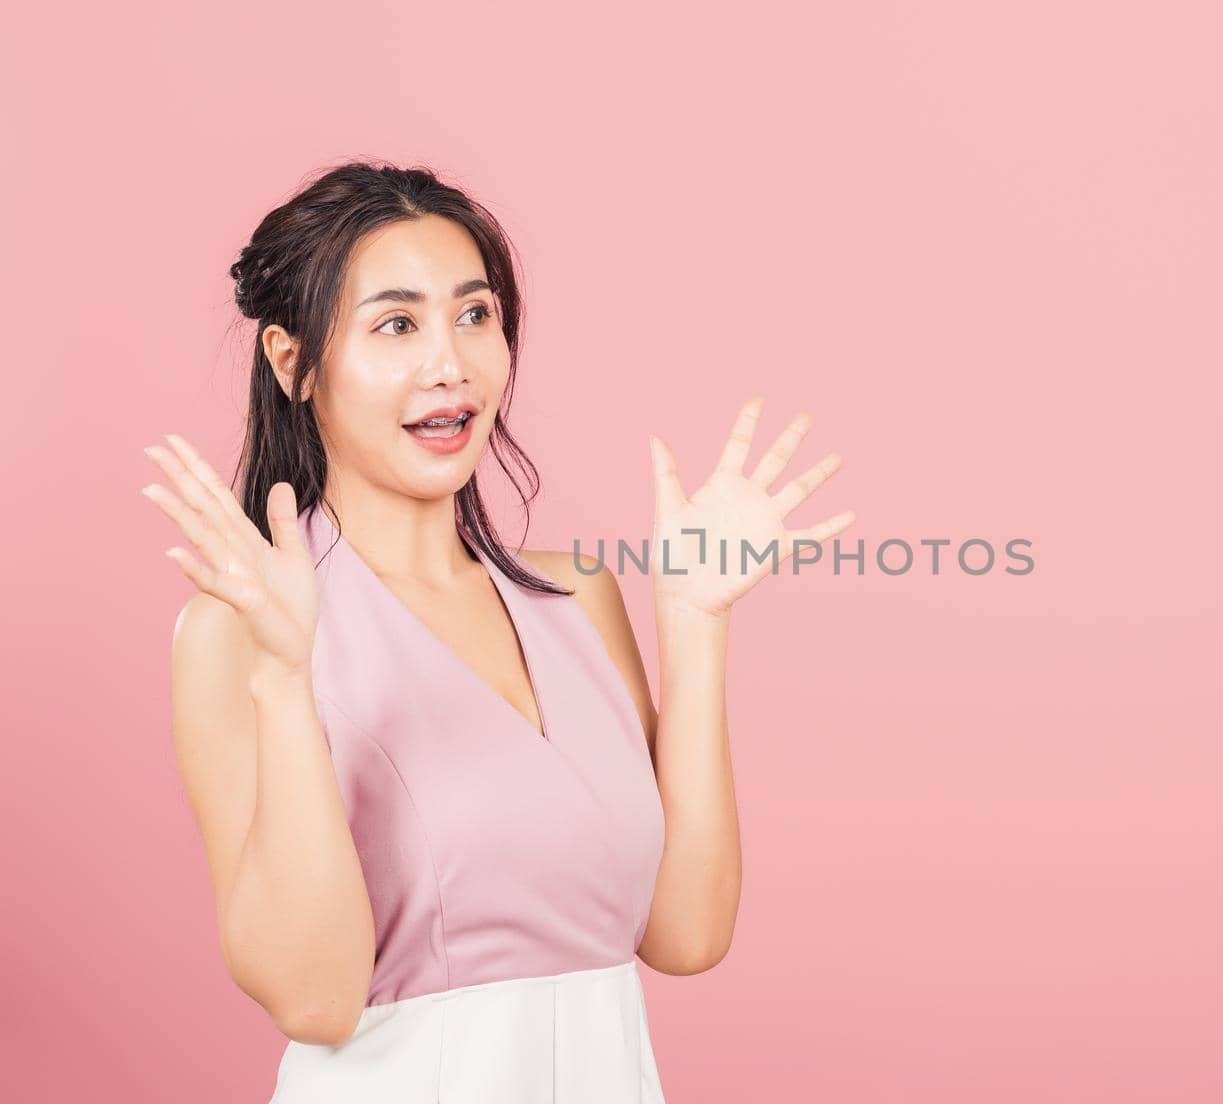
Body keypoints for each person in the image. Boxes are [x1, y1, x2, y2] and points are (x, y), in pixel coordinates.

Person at [139, 160, 854, 1101]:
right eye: (396, 324)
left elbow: (684, 935)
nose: (453, 363)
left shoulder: (577, 598)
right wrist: (284, 674)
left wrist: (693, 620)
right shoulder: (235, 633)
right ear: (293, 362)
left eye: (475, 315)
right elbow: (314, 1000)